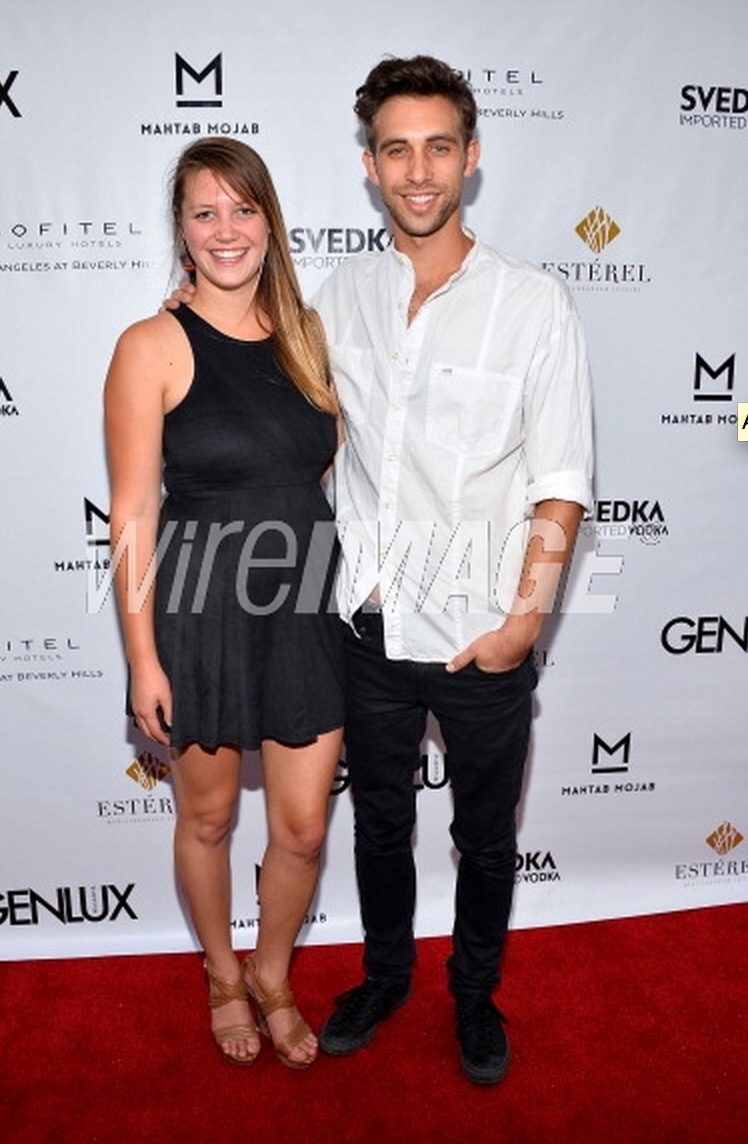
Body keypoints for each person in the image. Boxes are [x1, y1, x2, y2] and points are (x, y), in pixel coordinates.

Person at [312, 56, 594, 1084]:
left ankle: (474, 996)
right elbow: (269, 378)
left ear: (471, 159)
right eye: (397, 148)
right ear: (370, 165)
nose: (418, 169)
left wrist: (525, 624)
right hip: (369, 627)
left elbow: (561, 482)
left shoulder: (533, 304)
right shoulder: (338, 294)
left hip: (484, 634)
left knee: (485, 836)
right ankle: (386, 976)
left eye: (439, 146)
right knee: (380, 821)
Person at [104, 137, 344, 1069]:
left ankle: (274, 973)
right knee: (205, 818)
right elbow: (131, 512)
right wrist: (142, 657)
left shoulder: (310, 339)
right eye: (204, 212)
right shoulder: (149, 345)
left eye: (242, 209)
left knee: (303, 826)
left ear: (269, 221)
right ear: (180, 231)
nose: (225, 229)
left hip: (306, 607)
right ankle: (220, 972)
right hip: (199, 611)